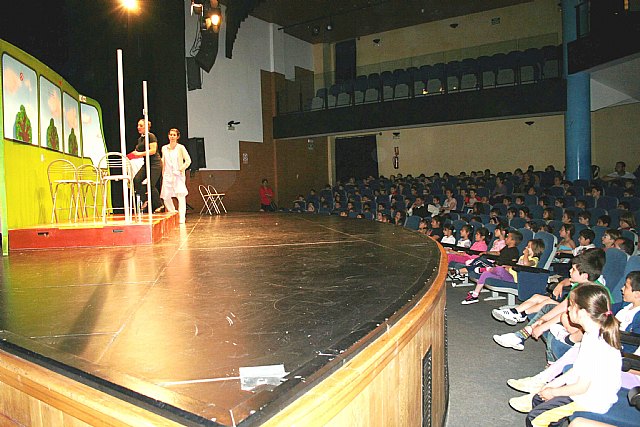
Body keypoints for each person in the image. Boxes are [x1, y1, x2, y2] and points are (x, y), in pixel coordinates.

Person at [524, 284, 621, 427]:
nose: (568, 309)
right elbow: (577, 369)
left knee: (535, 419)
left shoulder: (599, 345)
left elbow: (581, 388)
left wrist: (554, 393)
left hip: (590, 400)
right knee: (539, 398)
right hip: (581, 392)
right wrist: (551, 385)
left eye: (571, 306)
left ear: (582, 313)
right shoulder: (590, 334)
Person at [160, 128, 191, 223]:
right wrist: (162, 173)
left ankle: (182, 217)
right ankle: (173, 213)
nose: (172, 137)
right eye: (171, 135)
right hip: (167, 175)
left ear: (177, 137)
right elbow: (163, 161)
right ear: (168, 136)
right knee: (166, 196)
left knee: (180, 195)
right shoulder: (164, 148)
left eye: (174, 135)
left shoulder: (180, 147)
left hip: (178, 175)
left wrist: (181, 169)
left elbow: (188, 160)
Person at [131, 119, 162, 211]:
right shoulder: (140, 139)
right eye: (138, 125)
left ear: (146, 127)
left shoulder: (151, 136)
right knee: (136, 180)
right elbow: (138, 150)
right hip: (146, 164)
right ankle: (145, 200)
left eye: (141, 125)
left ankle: (159, 205)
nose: (138, 127)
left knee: (150, 185)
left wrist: (139, 154)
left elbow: (153, 151)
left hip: (155, 164)